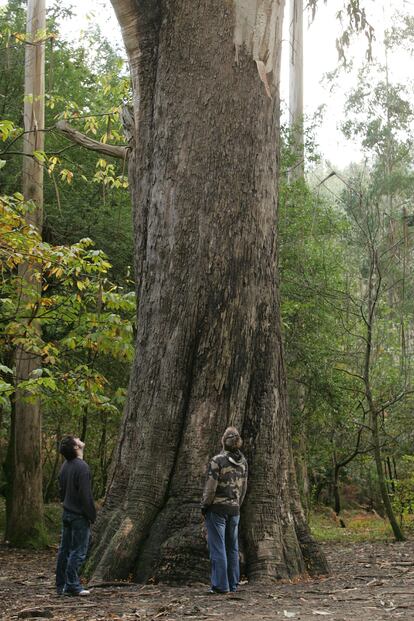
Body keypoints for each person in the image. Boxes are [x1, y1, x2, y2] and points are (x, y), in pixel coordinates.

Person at [201, 427, 248, 594]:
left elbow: (210, 488)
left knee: (218, 547)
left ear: (223, 441)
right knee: (232, 547)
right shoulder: (243, 462)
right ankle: (233, 583)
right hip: (235, 509)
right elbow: (243, 489)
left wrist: (205, 505)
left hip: (217, 510)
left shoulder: (217, 460)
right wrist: (237, 505)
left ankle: (221, 586)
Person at [55, 436, 96, 596]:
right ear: (75, 447)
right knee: (78, 552)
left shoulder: (65, 465)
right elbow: (86, 495)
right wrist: (91, 515)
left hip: (67, 513)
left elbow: (61, 489)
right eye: (76, 439)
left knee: (64, 550)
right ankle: (72, 585)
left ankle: (61, 585)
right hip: (78, 515)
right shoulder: (82, 467)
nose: (79, 439)